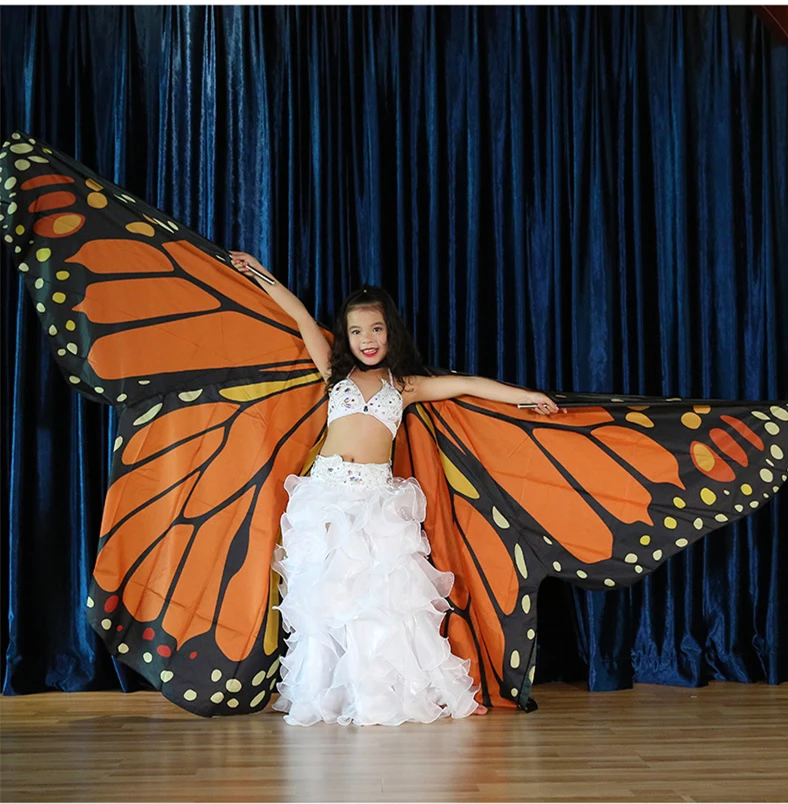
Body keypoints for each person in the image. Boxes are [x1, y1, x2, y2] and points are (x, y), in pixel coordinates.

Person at [229, 250, 561, 726]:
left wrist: (527, 397)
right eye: (357, 330)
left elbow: (467, 385)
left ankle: (388, 695)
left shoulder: (404, 387)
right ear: (345, 336)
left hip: (377, 502)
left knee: (386, 601)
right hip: (324, 499)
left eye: (377, 329)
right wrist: (259, 271)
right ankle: (324, 694)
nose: (367, 339)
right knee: (327, 600)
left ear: (391, 332)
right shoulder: (334, 374)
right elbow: (299, 314)